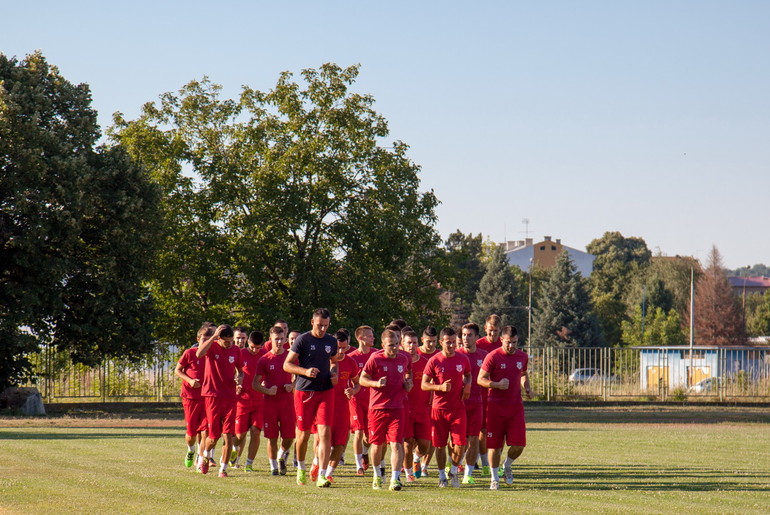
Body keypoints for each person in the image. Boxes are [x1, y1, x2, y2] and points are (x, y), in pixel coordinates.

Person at [283, 308, 339, 488]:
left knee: (325, 433)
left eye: (326, 326)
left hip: (325, 391)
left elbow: (334, 362)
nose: (322, 329)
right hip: (304, 392)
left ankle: (322, 475)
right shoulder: (303, 340)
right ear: (312, 322)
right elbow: (287, 364)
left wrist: (334, 373)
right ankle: (300, 468)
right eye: (319, 325)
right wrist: (305, 371)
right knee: (304, 434)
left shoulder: (331, 341)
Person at [477, 325, 534, 490]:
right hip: (495, 408)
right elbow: (480, 379)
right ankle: (494, 479)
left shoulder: (522, 357)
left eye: (514, 342)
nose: (511, 346)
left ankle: (507, 466)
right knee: (494, 446)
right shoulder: (492, 356)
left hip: (515, 408)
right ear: (502, 339)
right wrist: (496, 384)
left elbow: (523, 374)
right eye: (508, 342)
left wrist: (527, 388)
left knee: (519, 445)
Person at [359, 329, 412, 491]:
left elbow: (409, 373)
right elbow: (362, 379)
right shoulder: (375, 359)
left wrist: (408, 383)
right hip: (377, 408)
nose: (394, 348)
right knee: (377, 445)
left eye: (396, 344)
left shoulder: (404, 358)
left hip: (397, 408)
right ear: (383, 345)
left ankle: (395, 479)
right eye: (390, 345)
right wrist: (376, 383)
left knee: (397, 444)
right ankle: (376, 475)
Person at [422, 327, 471, 488]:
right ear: (441, 342)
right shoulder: (434, 361)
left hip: (458, 408)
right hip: (439, 410)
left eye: (453, 343)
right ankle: (442, 475)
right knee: (440, 445)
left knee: (460, 443)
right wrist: (440, 387)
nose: (451, 346)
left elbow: (468, 374)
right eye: (448, 343)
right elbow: (424, 384)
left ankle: (454, 471)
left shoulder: (462, 359)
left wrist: (468, 385)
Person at [197, 324, 244, 477]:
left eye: (231, 341)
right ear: (219, 338)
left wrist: (239, 379)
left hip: (230, 396)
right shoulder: (212, 347)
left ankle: (222, 469)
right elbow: (199, 354)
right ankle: (204, 455)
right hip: (212, 396)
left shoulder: (236, 350)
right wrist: (213, 337)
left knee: (228, 435)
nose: (230, 344)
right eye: (226, 341)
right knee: (213, 437)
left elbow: (241, 370)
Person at [254, 326, 295, 475]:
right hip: (270, 403)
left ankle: (280, 456)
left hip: (287, 402)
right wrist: (267, 391)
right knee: (271, 437)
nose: (279, 342)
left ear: (285, 340)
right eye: (276, 339)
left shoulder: (291, 357)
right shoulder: (264, 360)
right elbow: (255, 384)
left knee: (289, 437)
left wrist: (293, 385)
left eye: (282, 339)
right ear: (270, 339)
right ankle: (273, 468)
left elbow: (300, 376)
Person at [320, 329, 359, 483]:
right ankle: (318, 465)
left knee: (340, 444)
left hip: (343, 408)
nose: (341, 351)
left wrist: (353, 391)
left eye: (344, 347)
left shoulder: (351, 362)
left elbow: (357, 384)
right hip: (325, 406)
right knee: (323, 442)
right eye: (338, 348)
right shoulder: (323, 360)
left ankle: (328, 473)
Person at [174, 324, 210, 470]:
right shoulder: (189, 353)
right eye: (204, 339)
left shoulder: (212, 355)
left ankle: (200, 460)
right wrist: (189, 380)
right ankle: (191, 450)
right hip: (190, 398)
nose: (206, 343)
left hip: (207, 397)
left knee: (206, 430)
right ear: (198, 339)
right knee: (191, 434)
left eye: (209, 340)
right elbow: (177, 370)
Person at [457, 322, 488, 484]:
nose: (465, 338)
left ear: (477, 337)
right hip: (458, 404)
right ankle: (453, 464)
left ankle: (468, 473)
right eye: (463, 335)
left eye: (469, 335)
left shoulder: (484, 356)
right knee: (458, 441)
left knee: (474, 438)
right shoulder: (456, 355)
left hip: (477, 403)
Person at [232, 331, 266, 470]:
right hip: (242, 401)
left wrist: (266, 384)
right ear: (248, 343)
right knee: (240, 435)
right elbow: (232, 372)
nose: (255, 350)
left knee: (256, 431)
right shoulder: (240, 354)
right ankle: (234, 453)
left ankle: (249, 464)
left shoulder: (264, 355)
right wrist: (236, 383)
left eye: (258, 348)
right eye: (252, 347)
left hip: (259, 401)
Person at [400, 329, 430, 484]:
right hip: (404, 409)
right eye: (409, 343)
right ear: (402, 344)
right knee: (407, 443)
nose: (412, 346)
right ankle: (408, 473)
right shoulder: (399, 362)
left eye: (414, 343)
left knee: (425, 444)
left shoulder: (425, 363)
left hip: (423, 409)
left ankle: (417, 458)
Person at [348, 325, 375, 475]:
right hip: (356, 400)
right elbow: (346, 378)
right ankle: (358, 465)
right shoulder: (352, 357)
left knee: (370, 435)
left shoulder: (376, 354)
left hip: (373, 401)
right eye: (370, 336)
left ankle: (364, 451)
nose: (373, 338)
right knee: (358, 432)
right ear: (360, 338)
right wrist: (349, 390)